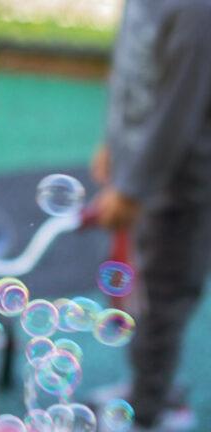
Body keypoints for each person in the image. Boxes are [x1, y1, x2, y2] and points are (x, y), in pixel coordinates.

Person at [90, 0, 211, 429]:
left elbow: (180, 108)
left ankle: (151, 411)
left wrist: (134, 187)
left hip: (185, 186)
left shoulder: (197, 11)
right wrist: (113, 143)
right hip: (141, 173)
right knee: (143, 290)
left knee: (165, 298)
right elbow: (127, 71)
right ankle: (148, 388)